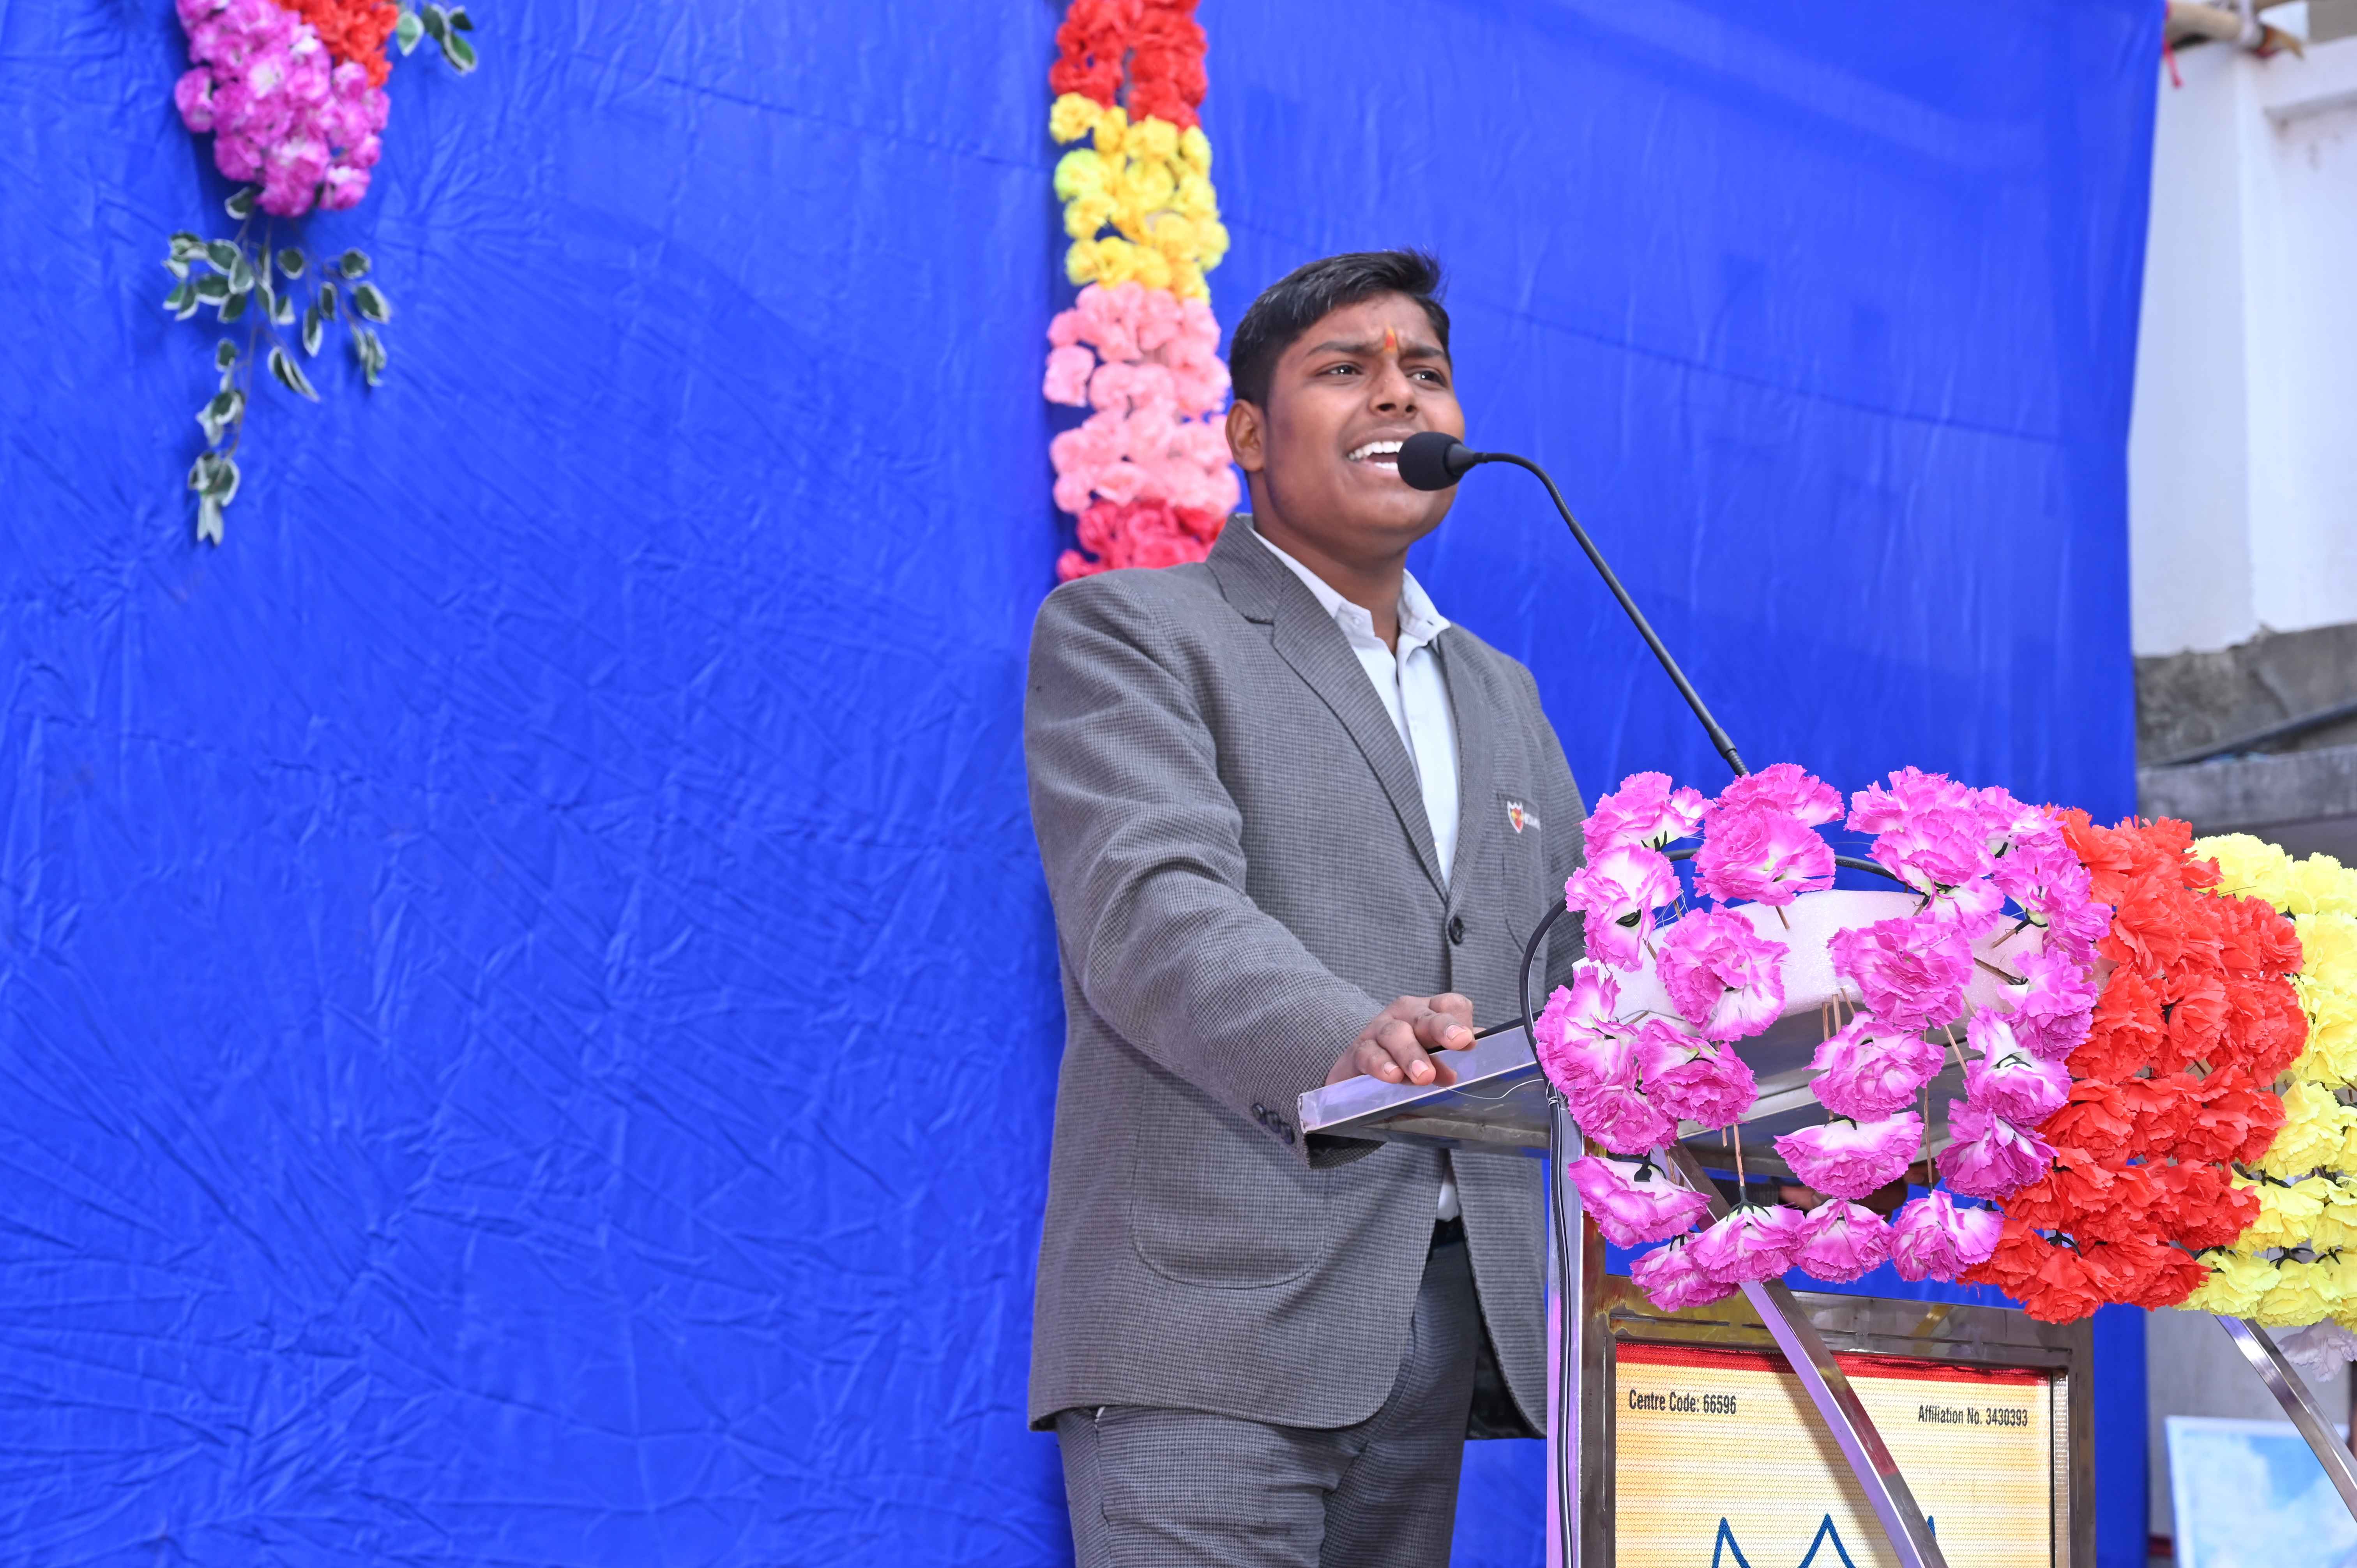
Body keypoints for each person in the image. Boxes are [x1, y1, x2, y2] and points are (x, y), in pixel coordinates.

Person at [1023, 249, 1588, 1566]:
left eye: (1426, 372)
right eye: (1346, 369)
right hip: (1212, 1322)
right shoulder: (1132, 631)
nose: (1399, 396)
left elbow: (1569, 966)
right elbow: (1151, 909)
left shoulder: (1502, 693)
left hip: (1442, 1321)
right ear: (1246, 436)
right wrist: (1338, 1034)